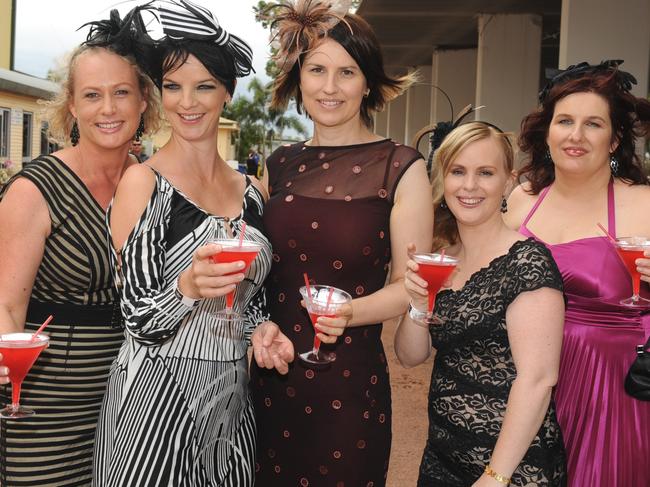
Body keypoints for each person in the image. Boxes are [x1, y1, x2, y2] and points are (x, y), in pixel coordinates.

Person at [91, 2, 293, 486]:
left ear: (226, 92)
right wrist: (186, 285)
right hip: (153, 404)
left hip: (228, 402)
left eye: (204, 86)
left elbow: (250, 304)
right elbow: (138, 318)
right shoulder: (144, 182)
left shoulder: (253, 191)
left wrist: (263, 332)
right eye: (173, 87)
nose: (188, 102)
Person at [249, 2, 433, 485]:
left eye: (346, 72)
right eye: (317, 70)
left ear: (368, 82)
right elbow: (259, 273)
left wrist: (347, 313)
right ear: (299, 78)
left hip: (350, 387)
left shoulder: (402, 166)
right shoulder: (278, 164)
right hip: (270, 377)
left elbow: (410, 287)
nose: (329, 87)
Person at [0, 8, 159, 486]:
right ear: (71, 104)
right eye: (92, 95)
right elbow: (6, 306)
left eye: (121, 93)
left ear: (143, 100)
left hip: (132, 407)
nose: (107, 109)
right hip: (44, 407)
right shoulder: (35, 190)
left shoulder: (155, 183)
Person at [396, 122, 567, 486]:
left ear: (508, 182)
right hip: (442, 460)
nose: (469, 186)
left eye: (485, 173)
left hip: (513, 469)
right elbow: (410, 357)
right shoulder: (442, 258)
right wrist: (416, 304)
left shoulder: (527, 262)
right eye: (458, 171)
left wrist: (495, 476)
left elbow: (538, 379)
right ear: (444, 179)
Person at [505, 60, 650, 486]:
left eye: (593, 124)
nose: (576, 135)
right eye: (565, 120)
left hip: (611, 390)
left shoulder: (644, 204)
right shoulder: (520, 201)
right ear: (547, 131)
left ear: (615, 139)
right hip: (524, 382)